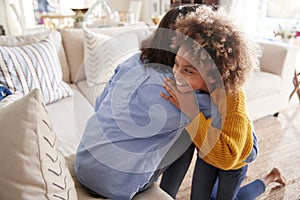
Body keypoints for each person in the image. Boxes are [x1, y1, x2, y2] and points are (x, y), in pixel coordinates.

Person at [74, 5, 202, 200]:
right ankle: (169, 195)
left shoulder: (133, 61)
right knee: (191, 130)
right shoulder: (180, 88)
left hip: (82, 164)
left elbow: (99, 105)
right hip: (115, 186)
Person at [160, 5, 286, 200]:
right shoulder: (195, 79)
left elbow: (226, 157)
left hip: (233, 157)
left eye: (188, 70)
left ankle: (270, 178)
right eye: (177, 64)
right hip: (209, 149)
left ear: (213, 74)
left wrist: (189, 109)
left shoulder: (232, 99)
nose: (176, 74)